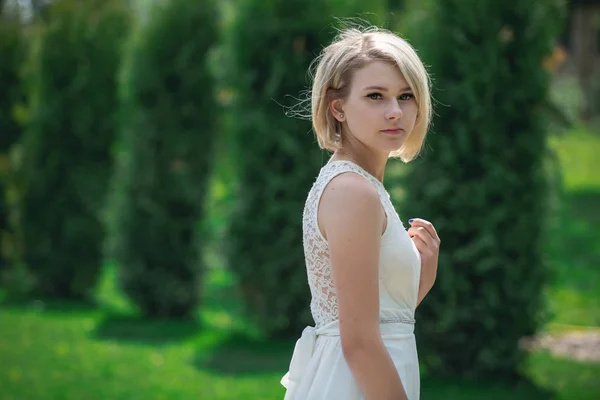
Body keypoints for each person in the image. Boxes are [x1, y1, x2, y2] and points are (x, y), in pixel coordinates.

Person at [280, 26, 440, 400]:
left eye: (406, 96)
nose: (395, 112)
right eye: (375, 96)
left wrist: (421, 277)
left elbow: (366, 318)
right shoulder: (353, 191)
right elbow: (359, 342)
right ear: (338, 107)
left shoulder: (361, 186)